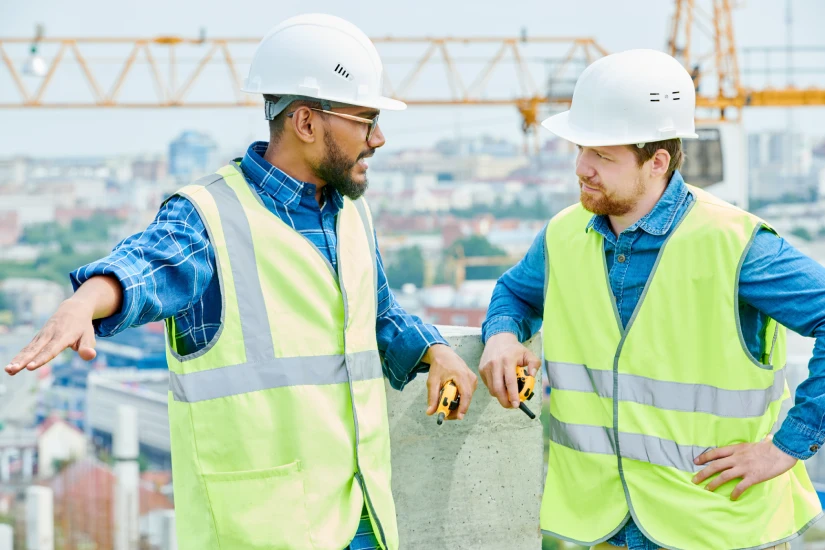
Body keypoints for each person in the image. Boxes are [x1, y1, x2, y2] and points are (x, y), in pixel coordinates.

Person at [4, 14, 477, 550]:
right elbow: (149, 265)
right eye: (365, 120)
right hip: (262, 531)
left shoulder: (348, 215)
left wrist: (433, 349)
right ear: (305, 122)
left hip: (361, 516)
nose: (379, 138)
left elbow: (376, 317)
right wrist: (85, 301)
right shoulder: (210, 218)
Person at [478, 48, 824, 550]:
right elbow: (513, 292)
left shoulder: (736, 244)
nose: (582, 168)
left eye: (602, 155)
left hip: (716, 526)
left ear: (657, 161)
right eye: (580, 149)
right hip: (607, 525)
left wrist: (787, 447)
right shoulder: (563, 235)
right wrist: (502, 335)